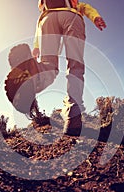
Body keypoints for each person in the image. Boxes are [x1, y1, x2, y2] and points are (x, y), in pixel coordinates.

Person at [32, 0, 106, 136]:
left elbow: (40, 21)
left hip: (47, 19)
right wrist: (95, 17)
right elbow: (84, 7)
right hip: (71, 16)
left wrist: (37, 45)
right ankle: (73, 117)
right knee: (75, 65)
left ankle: (28, 83)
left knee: (48, 65)